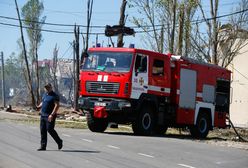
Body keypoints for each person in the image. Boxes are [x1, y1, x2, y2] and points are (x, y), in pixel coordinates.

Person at [36, 83, 63, 151]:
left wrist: (52, 114)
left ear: (51, 87)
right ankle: (43, 146)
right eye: (46, 88)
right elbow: (43, 102)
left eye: (48, 87)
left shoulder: (54, 96)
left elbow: (57, 105)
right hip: (43, 115)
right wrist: (39, 106)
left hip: (50, 116)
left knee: (50, 129)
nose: (47, 89)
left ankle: (59, 141)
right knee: (43, 131)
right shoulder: (45, 95)